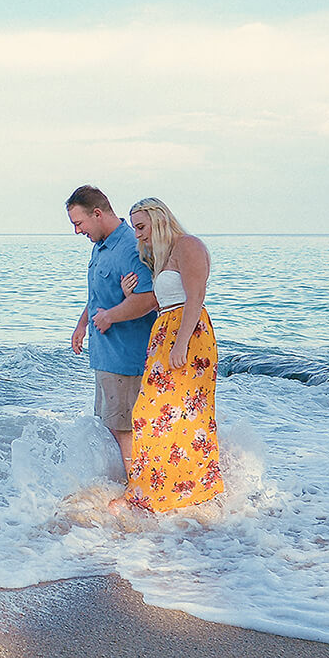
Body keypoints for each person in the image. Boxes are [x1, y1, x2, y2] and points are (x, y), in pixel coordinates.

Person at [119, 197, 224, 512]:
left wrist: (181, 343)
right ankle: (168, 489)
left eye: (141, 227)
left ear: (159, 219)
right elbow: (161, 300)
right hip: (165, 332)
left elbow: (196, 296)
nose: (137, 234)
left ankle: (172, 492)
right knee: (160, 414)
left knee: (168, 413)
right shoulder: (163, 256)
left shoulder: (188, 245)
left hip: (187, 334)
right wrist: (129, 295)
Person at [66, 185, 157, 474]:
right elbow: (99, 295)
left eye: (79, 223)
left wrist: (110, 318)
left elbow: (148, 298)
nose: (77, 231)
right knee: (108, 427)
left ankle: (137, 491)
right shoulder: (101, 246)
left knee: (125, 430)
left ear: (97, 213)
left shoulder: (131, 247)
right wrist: (82, 324)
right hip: (105, 357)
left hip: (126, 357)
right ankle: (121, 485)